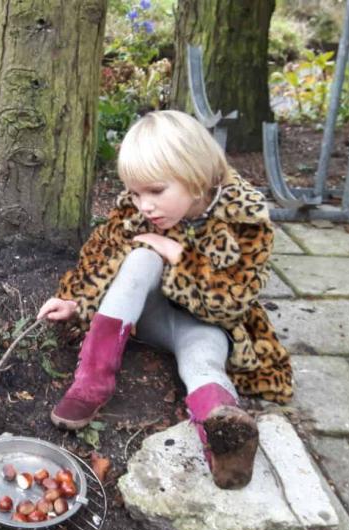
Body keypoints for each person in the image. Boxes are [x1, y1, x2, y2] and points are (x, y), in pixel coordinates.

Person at [37, 111, 292, 490]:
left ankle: (223, 432)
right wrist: (74, 300)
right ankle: (92, 378)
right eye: (136, 193)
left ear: (196, 177)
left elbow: (232, 302)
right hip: (145, 316)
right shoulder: (135, 211)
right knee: (141, 258)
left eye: (155, 191)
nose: (145, 206)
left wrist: (178, 254)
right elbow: (100, 255)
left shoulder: (243, 218)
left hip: (206, 325)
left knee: (202, 360)